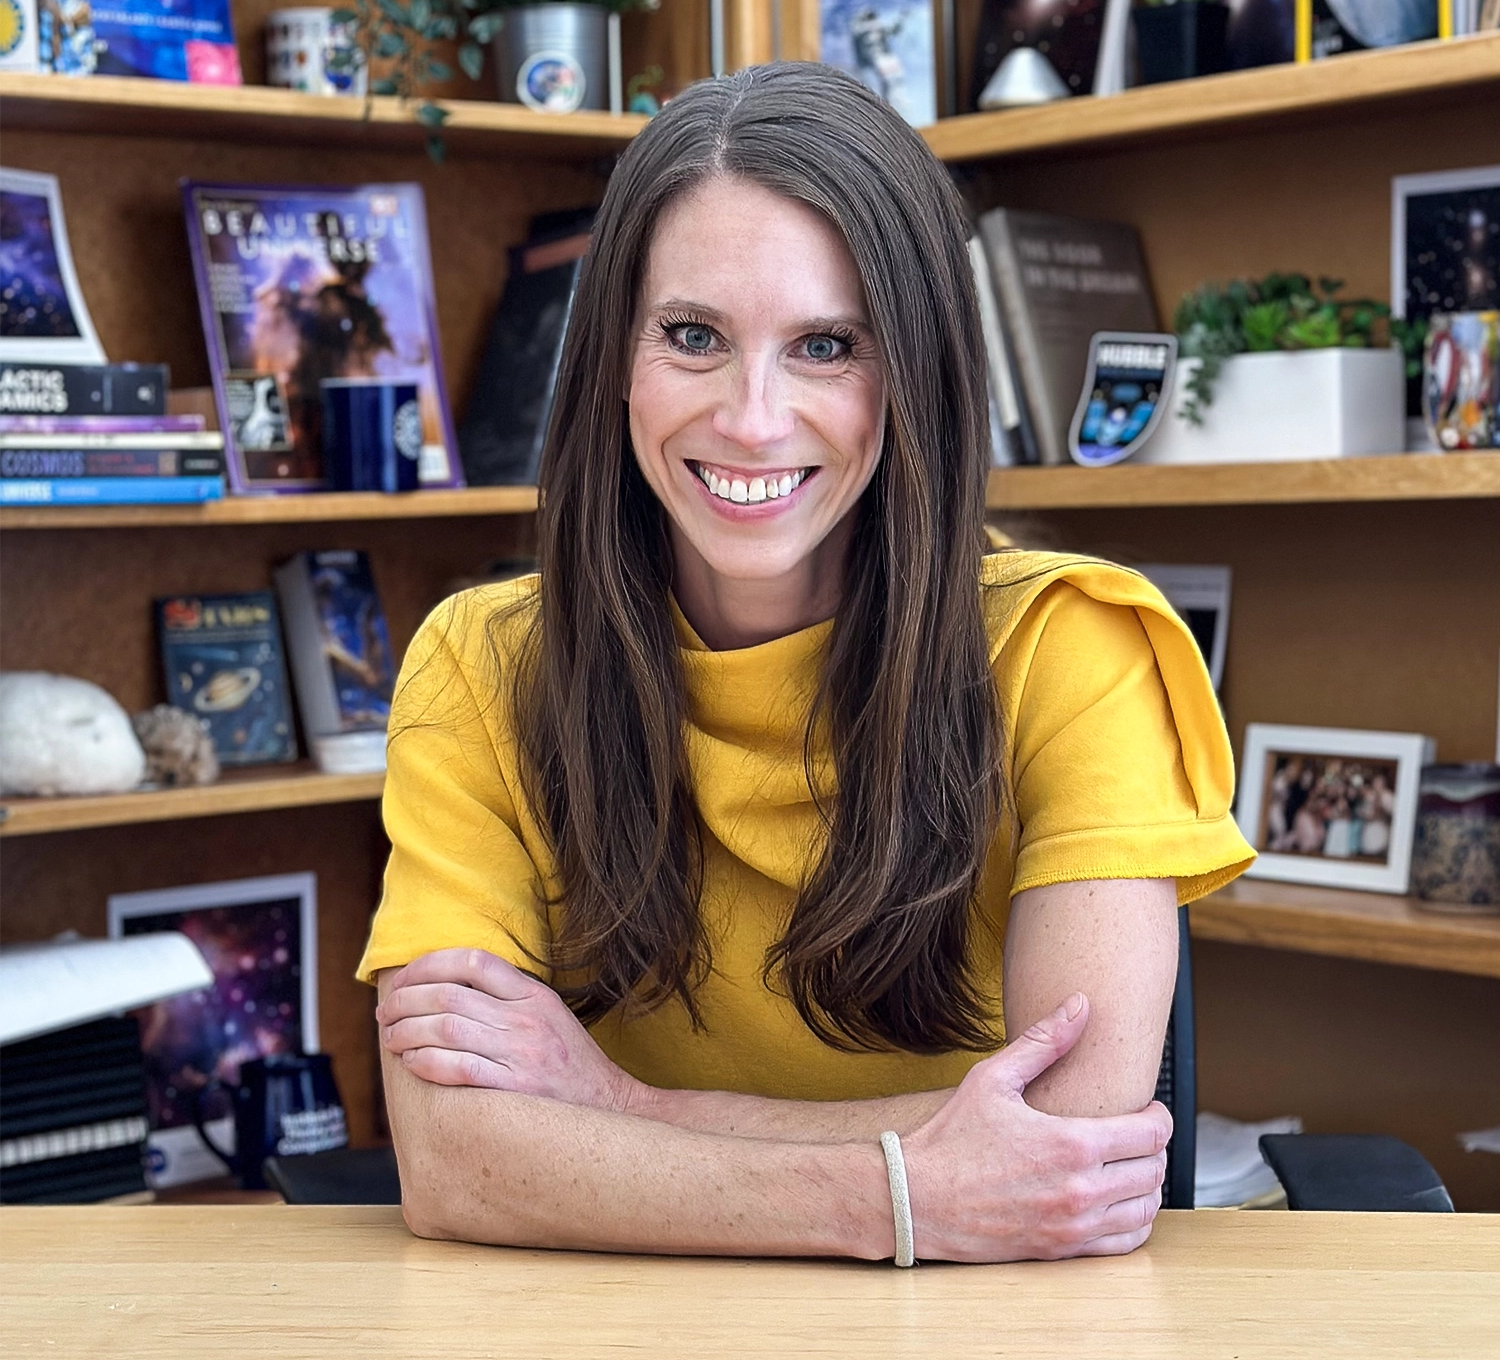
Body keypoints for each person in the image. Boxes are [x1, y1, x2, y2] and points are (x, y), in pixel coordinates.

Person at [358, 61, 1254, 1264]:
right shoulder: (478, 664)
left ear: (918, 372)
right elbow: (456, 1158)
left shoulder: (1071, 646)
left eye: (827, 344)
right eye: (692, 336)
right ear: (610, 358)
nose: (752, 417)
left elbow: (1071, 1138)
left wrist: (622, 1112)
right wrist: (905, 1191)